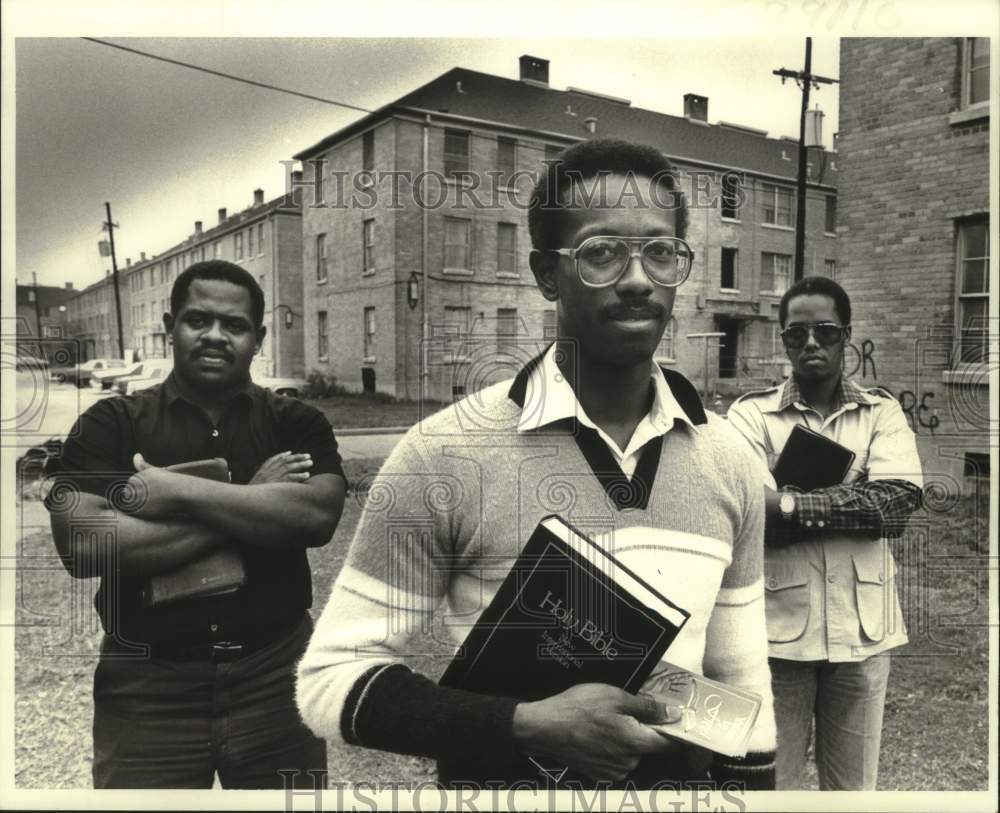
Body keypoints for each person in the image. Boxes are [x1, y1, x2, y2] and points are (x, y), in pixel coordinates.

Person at [296, 139, 776, 790]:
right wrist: (524, 722)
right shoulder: (445, 452)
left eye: (661, 252)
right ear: (546, 274)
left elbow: (739, 676)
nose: (638, 278)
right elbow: (328, 678)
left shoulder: (731, 460)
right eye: (602, 252)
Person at [45, 260, 347, 789]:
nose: (215, 335)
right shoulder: (110, 423)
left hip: (273, 676)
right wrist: (250, 501)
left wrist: (175, 491)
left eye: (234, 325)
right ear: (169, 328)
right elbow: (82, 544)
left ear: (259, 337)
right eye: (197, 320)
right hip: (146, 686)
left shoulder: (296, 422)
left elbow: (317, 516)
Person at [726, 275, 924, 790]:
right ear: (784, 340)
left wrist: (789, 499)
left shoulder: (882, 412)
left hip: (864, 634)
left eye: (826, 331)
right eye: (797, 334)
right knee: (773, 787)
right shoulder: (751, 415)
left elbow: (895, 506)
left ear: (847, 336)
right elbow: (750, 515)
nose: (811, 343)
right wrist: (852, 492)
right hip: (777, 638)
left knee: (854, 790)